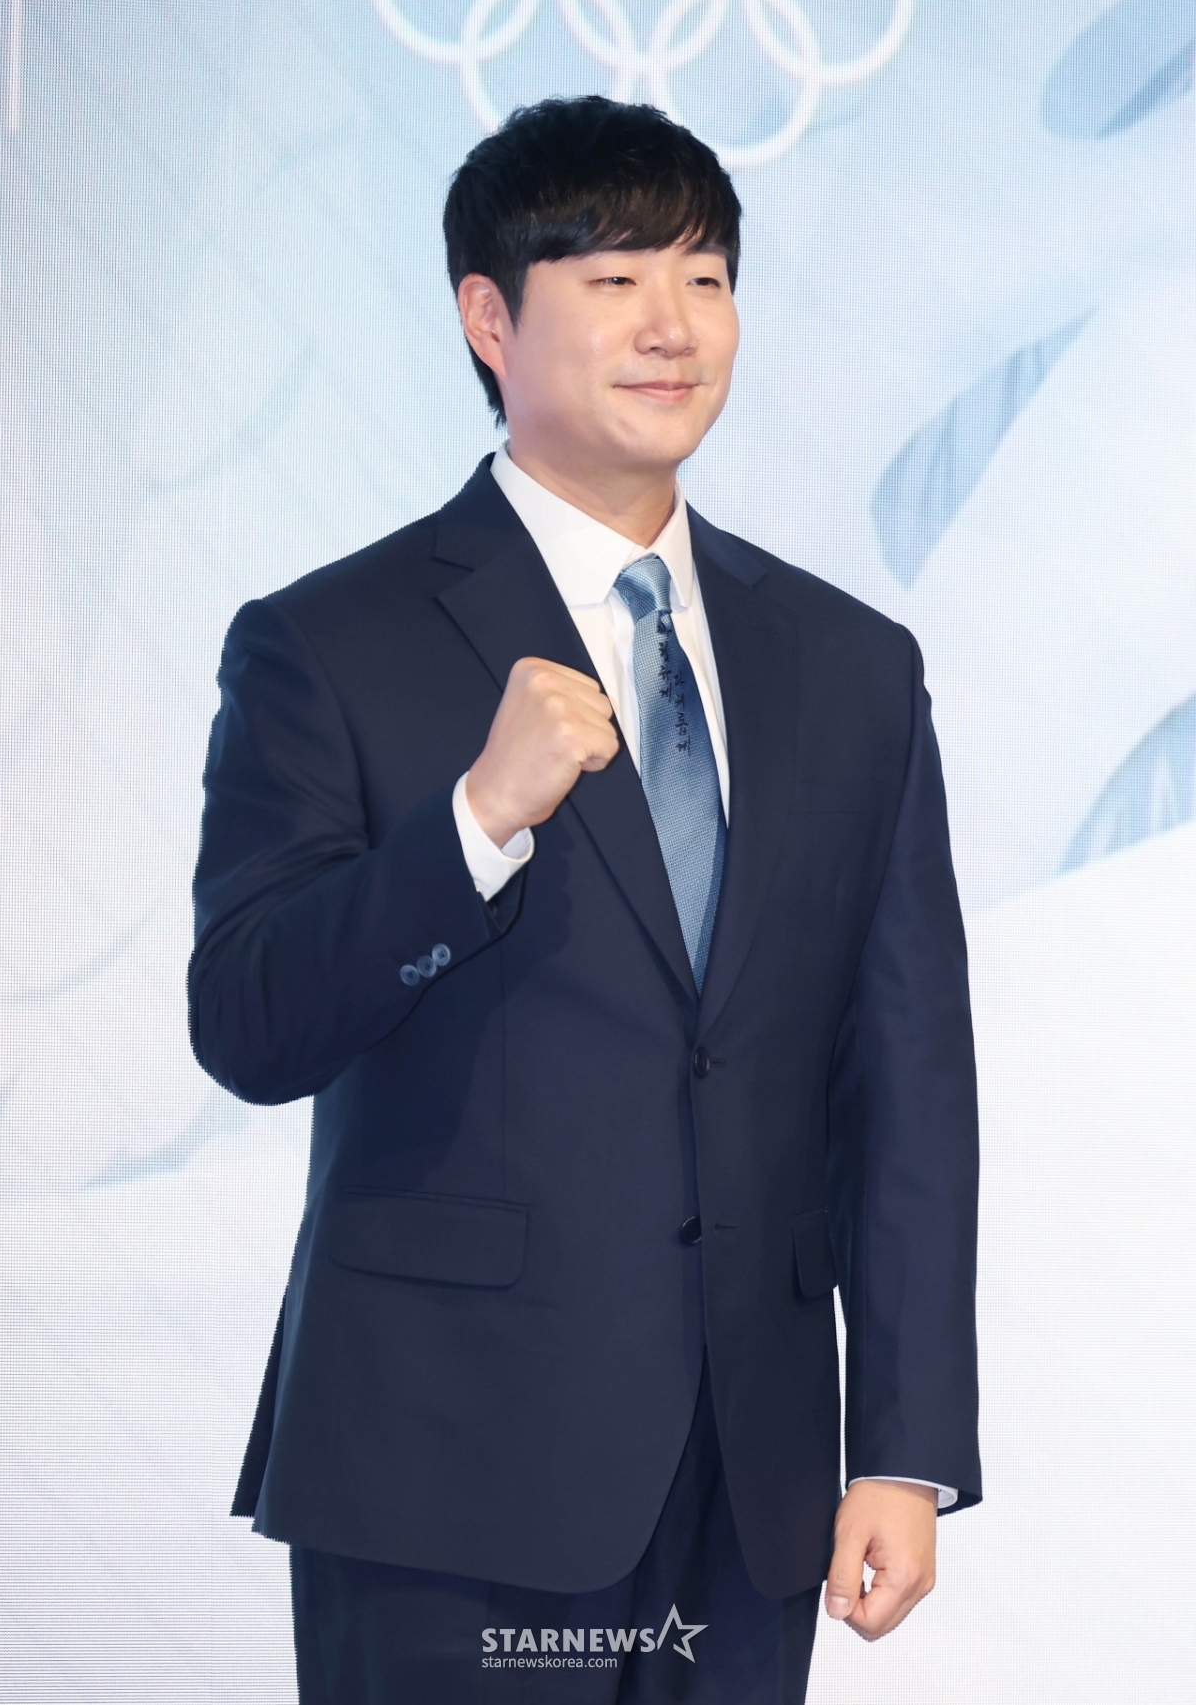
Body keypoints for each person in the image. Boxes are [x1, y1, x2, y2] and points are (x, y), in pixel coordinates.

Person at [188, 95, 980, 1703]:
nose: (671, 325)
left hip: (749, 1478)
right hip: (444, 1466)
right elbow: (251, 1022)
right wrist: (473, 820)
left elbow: (906, 1079)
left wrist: (905, 1443)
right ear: (490, 320)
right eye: (613, 279)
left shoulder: (850, 665)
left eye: (705, 277)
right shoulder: (328, 639)